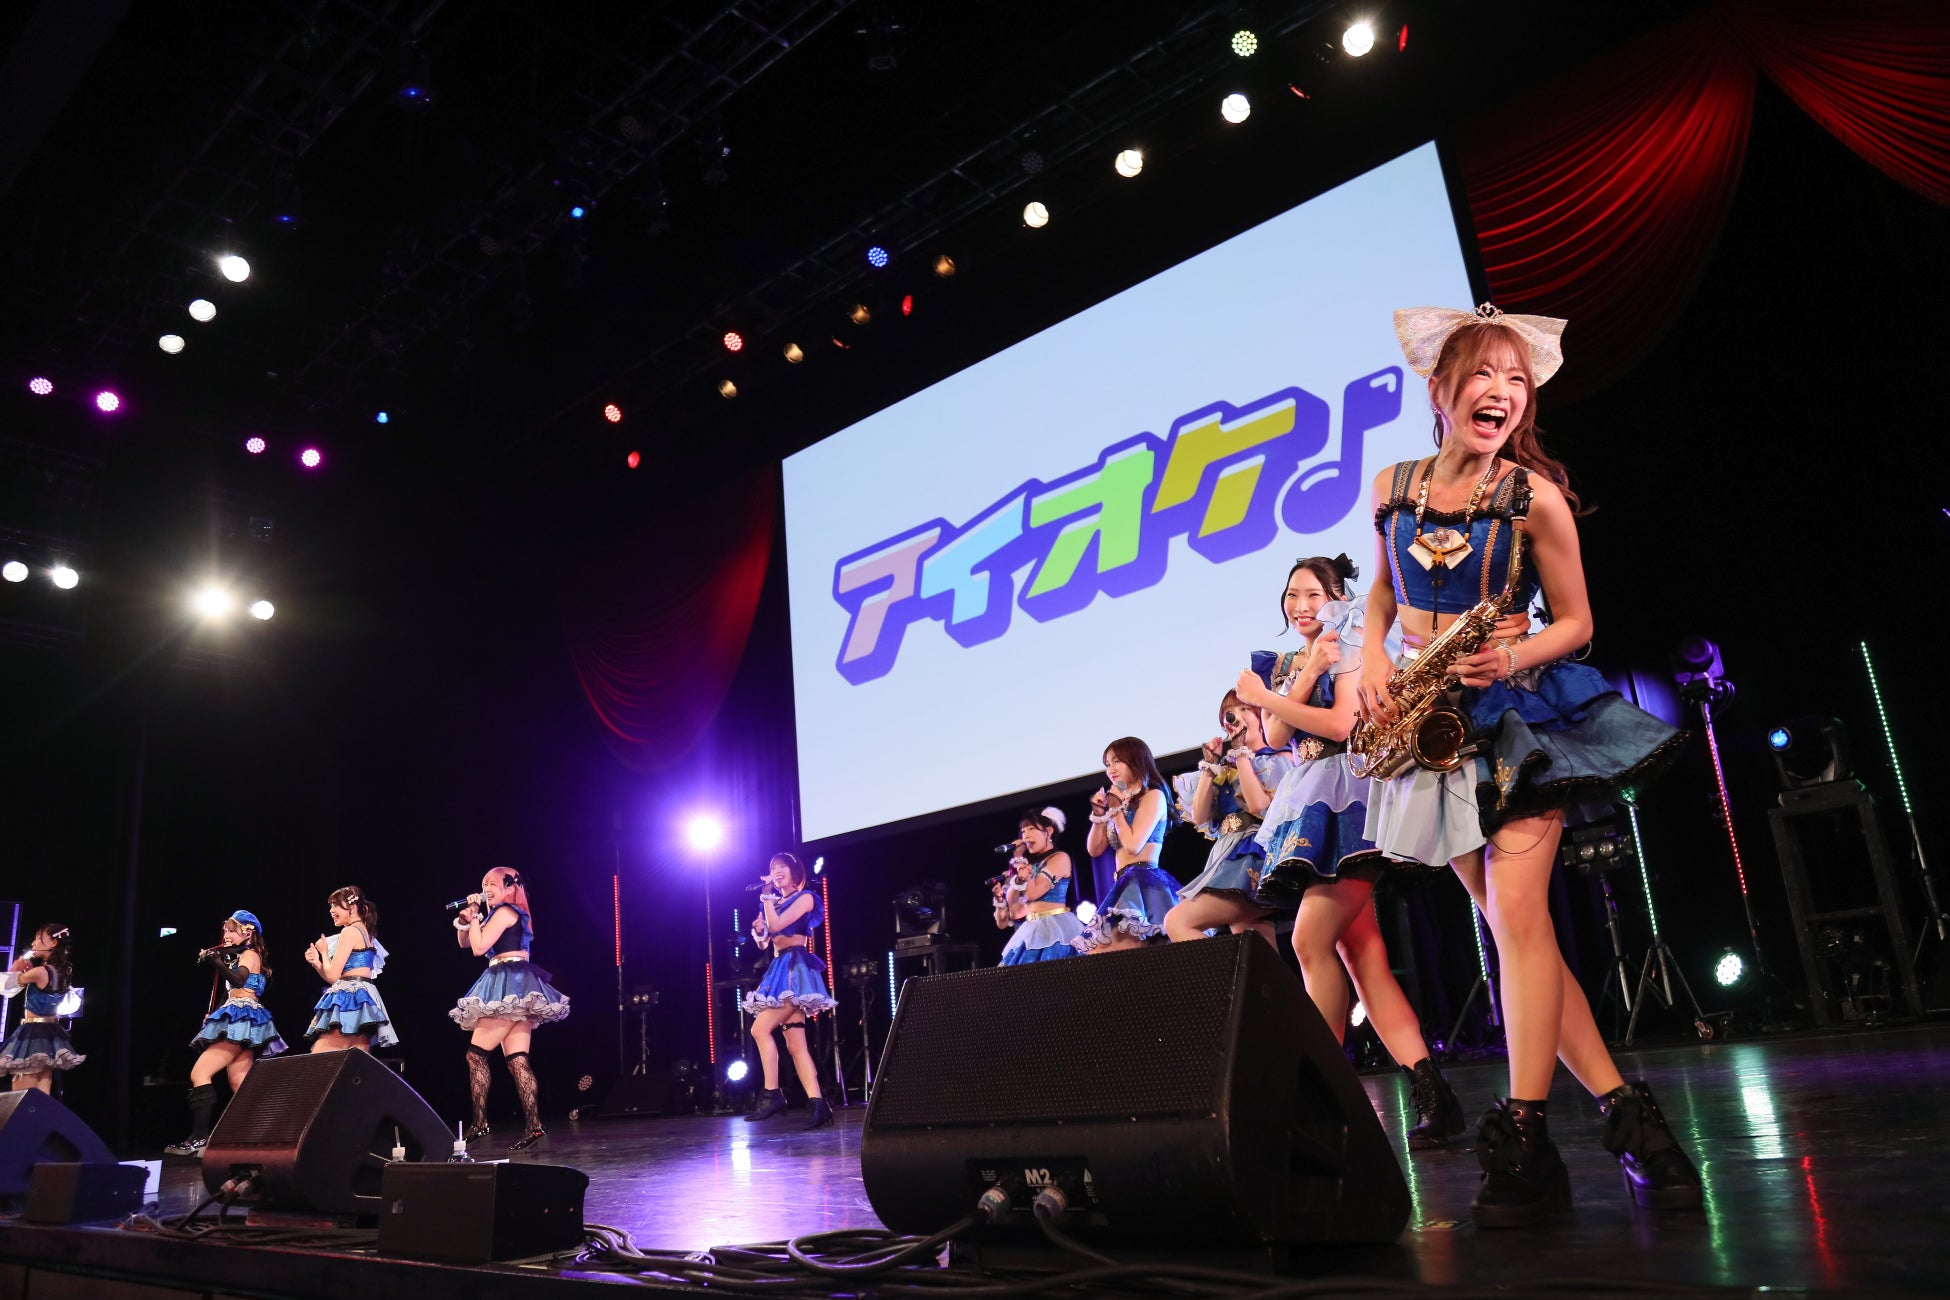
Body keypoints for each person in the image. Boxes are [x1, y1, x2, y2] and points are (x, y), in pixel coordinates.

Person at [1357, 304, 1698, 1226]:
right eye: (1483, 374)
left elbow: (1578, 623)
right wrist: (1373, 655)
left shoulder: (1533, 497)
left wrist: (1509, 656)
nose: (1501, 393)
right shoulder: (1390, 484)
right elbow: (1380, 591)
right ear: (1440, 389)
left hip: (1516, 713)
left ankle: (1525, 1134)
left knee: (1517, 921)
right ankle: (1630, 1117)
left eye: (1516, 380)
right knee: (1519, 937)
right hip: (1428, 725)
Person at [1232, 555, 1465, 1150]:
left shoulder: (1355, 643)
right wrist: (1301, 674)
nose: (1300, 605)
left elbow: (1340, 726)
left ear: (1338, 597)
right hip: (1311, 802)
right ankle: (1432, 1092)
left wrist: (1267, 697)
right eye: (1292, 595)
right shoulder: (1294, 659)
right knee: (1362, 957)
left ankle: (1322, 1096)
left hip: (1353, 793)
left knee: (1309, 942)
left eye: (1312, 594)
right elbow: (1275, 738)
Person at [451, 868, 570, 1152]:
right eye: (483, 883)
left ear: (509, 888)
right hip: (516, 984)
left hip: (507, 983)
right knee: (517, 1061)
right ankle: (535, 1125)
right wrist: (466, 920)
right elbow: (466, 942)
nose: (485, 888)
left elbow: (479, 948)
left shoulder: (504, 911)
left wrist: (475, 916)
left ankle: (480, 1122)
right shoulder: (501, 913)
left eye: (491, 884)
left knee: (475, 1056)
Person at [1163, 696, 1291, 947]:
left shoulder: (1275, 759)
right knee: (1255, 954)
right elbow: (1200, 817)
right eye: (1229, 714)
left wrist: (1242, 755)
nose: (1236, 717)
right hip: (1226, 856)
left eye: (1244, 709)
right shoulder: (1224, 768)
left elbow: (1258, 805)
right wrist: (1210, 767)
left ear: (1261, 717)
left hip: (1254, 854)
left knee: (1177, 921)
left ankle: (1213, 973)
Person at [165, 911, 284, 1156]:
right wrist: (215, 1014)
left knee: (200, 1073)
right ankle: (261, 1138)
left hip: (241, 1017)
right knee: (240, 1083)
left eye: (231, 930)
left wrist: (216, 962)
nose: (226, 935)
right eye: (225, 930)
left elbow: (239, 982)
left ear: (248, 933)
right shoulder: (239, 956)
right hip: (239, 1015)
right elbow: (230, 992)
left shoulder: (250, 954)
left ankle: (199, 1139)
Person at [741, 852, 837, 1128]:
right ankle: (819, 1105)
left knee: (759, 1029)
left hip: (795, 968)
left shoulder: (805, 897)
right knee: (796, 1045)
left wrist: (766, 900)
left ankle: (772, 1095)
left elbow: (778, 925)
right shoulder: (773, 903)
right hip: (779, 966)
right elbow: (765, 941)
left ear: (795, 872)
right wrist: (760, 930)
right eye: (773, 867)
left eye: (782, 866)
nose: (776, 871)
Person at [1077, 738, 1182, 953]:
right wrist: (1100, 814)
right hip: (1123, 884)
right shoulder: (1119, 801)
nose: (1111, 770)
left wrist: (1116, 811)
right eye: (1107, 764)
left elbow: (1134, 845)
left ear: (1135, 760)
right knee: (1100, 952)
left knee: (1128, 950)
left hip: (1145, 882)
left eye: (1117, 762)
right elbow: (1094, 850)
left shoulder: (1153, 795)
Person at [303, 887, 397, 1052]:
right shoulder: (365, 932)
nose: (331, 911)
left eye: (335, 906)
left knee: (323, 1057)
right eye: (331, 906)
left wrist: (324, 952)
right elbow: (340, 977)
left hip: (350, 998)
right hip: (363, 995)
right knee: (355, 1060)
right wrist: (317, 963)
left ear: (352, 908)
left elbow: (333, 977)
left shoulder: (349, 931)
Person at [0, 926, 83, 1093]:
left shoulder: (40, 972)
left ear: (53, 943)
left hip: (32, 1033)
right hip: (49, 1034)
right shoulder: (61, 971)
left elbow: (6, 987)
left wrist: (15, 967)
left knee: (22, 1094)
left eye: (38, 939)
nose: (33, 943)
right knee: (41, 1091)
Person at [999, 808, 1083, 964]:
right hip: (1032, 928)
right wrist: (1018, 859)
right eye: (1023, 831)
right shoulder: (1029, 865)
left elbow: (1032, 893)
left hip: (1055, 928)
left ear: (1049, 831)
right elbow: (1013, 909)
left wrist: (1023, 869)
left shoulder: (1060, 858)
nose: (1025, 835)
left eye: (1031, 828)